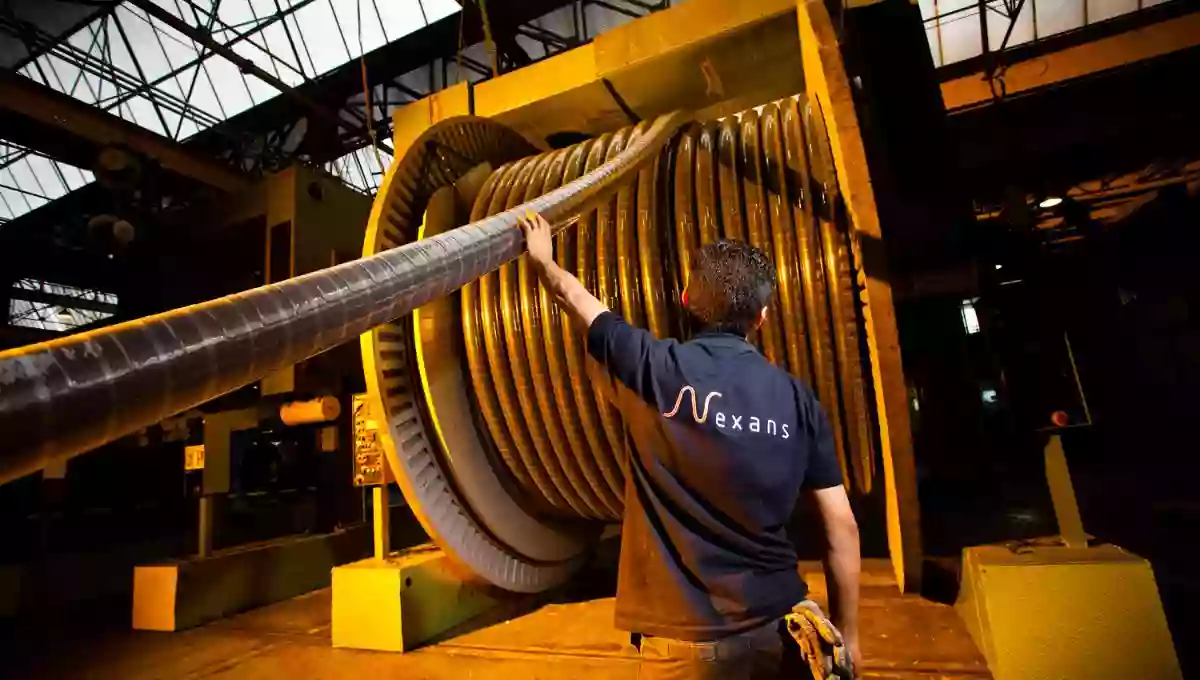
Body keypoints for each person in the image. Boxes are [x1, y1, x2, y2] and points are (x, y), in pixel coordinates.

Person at [519, 211, 862, 679]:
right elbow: (841, 526)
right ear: (762, 317)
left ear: (685, 299)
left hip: (684, 646)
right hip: (780, 632)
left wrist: (543, 263)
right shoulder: (799, 399)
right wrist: (849, 633)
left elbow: (576, 300)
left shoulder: (651, 367)